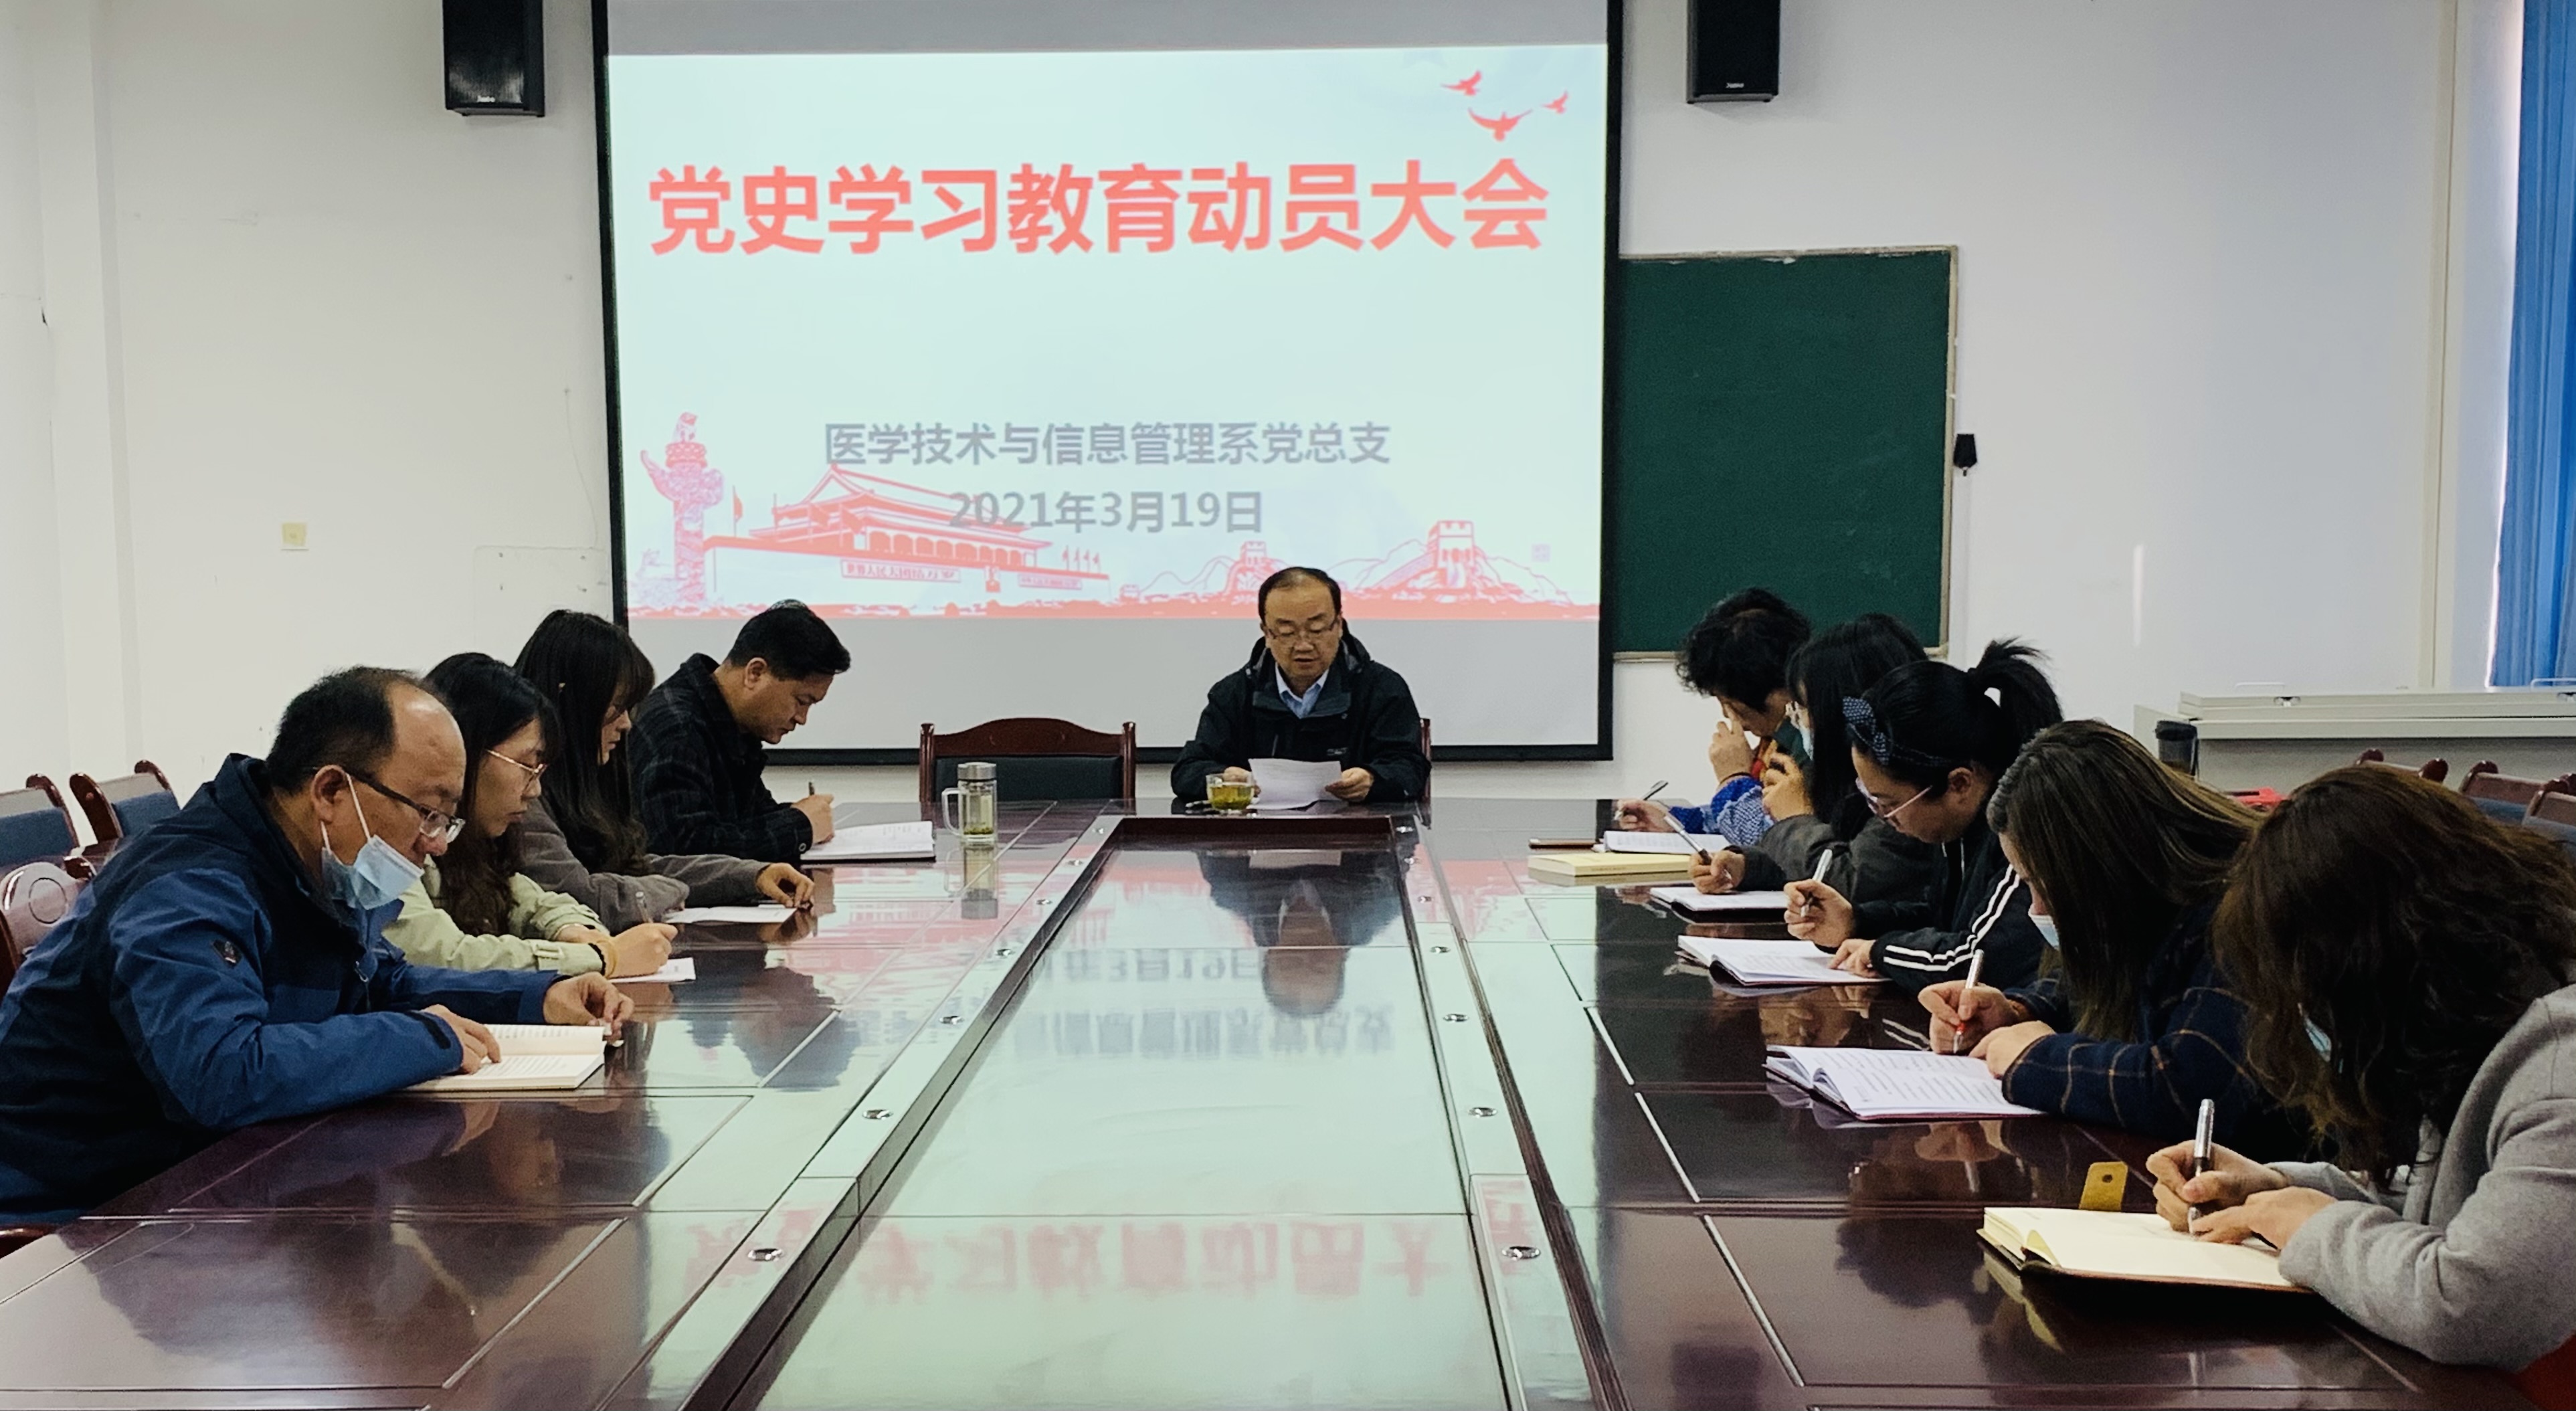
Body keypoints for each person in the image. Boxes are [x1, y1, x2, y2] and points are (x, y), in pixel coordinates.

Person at [0, 668, 632, 1223]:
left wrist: (538, 997)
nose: (437, 842)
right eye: (428, 811)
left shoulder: (307, 862)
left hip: (202, 1183)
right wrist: (421, 1038)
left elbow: (379, 981)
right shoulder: (186, 886)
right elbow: (222, 1073)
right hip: (77, 1214)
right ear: (331, 791)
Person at [2145, 767, 2576, 1386]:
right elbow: (2455, 1203)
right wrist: (2271, 1190)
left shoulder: (2560, 1068)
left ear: (2379, 967)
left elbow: (2470, 1305)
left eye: (2315, 991)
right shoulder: (2480, 1013)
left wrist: (2310, 1225)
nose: (2308, 1016)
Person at [1918, 722, 2302, 1153]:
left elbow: (2188, 1089)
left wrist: (2036, 1059)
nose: (2037, 908)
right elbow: (2099, 980)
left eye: (2044, 884)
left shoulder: (2240, 913)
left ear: (2103, 866)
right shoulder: (2151, 904)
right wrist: (2016, 1012)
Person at [1782, 639, 2061, 994]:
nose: (1885, 818)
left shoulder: (2021, 831)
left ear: (1959, 784)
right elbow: (1942, 921)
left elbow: (1975, 961)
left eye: (1888, 804)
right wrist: (1855, 921)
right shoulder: (1956, 829)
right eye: (1871, 800)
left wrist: (1881, 952)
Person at [375, 654, 676, 979]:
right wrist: (601, 957)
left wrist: (575, 929)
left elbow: (531, 899)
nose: (535, 791)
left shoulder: (474, 847)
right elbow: (438, 955)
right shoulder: (389, 836)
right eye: (528, 766)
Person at [511, 611, 813, 930]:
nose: (626, 723)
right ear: (574, 703)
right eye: (616, 707)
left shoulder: (590, 776)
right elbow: (580, 894)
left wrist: (752, 875)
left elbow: (633, 868)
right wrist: (669, 890)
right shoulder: (524, 792)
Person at [1686, 614, 1940, 903]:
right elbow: (1834, 852)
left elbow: (1852, 881)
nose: (1798, 721)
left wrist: (1794, 820)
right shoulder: (1843, 776)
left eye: (1805, 708)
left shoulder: (1905, 789)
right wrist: (1747, 866)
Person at [1171, 567, 1429, 804]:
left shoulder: (1382, 688)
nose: (1303, 645)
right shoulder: (1234, 693)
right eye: (1287, 632)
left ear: (1339, 625)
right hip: (1260, 833)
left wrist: (1373, 779)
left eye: (1316, 629)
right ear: (1267, 633)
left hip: (1356, 831)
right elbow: (1188, 770)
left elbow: (1410, 767)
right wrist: (1223, 776)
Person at [629, 599, 850, 862]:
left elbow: (748, 821)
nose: (802, 718)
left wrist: (800, 817)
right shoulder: (679, 730)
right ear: (755, 673)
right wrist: (800, 826)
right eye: (802, 701)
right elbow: (684, 851)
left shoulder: (732, 724)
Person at [1615, 589, 1811, 848]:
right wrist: (1678, 822)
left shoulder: (1812, 743)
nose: (1727, 715)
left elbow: (1773, 839)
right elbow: (1763, 810)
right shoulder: (1778, 739)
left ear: (1777, 693)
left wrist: (1734, 778)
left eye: (1730, 703)